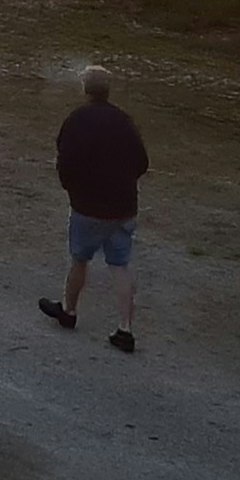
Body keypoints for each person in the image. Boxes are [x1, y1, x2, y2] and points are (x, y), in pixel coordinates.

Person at [40, 64, 147, 352]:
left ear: (85, 90)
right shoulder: (124, 121)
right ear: (108, 90)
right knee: (121, 266)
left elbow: (66, 160)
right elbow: (142, 162)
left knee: (80, 259)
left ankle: (69, 311)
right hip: (123, 206)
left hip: (88, 206)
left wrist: (71, 187)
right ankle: (125, 328)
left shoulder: (77, 120)